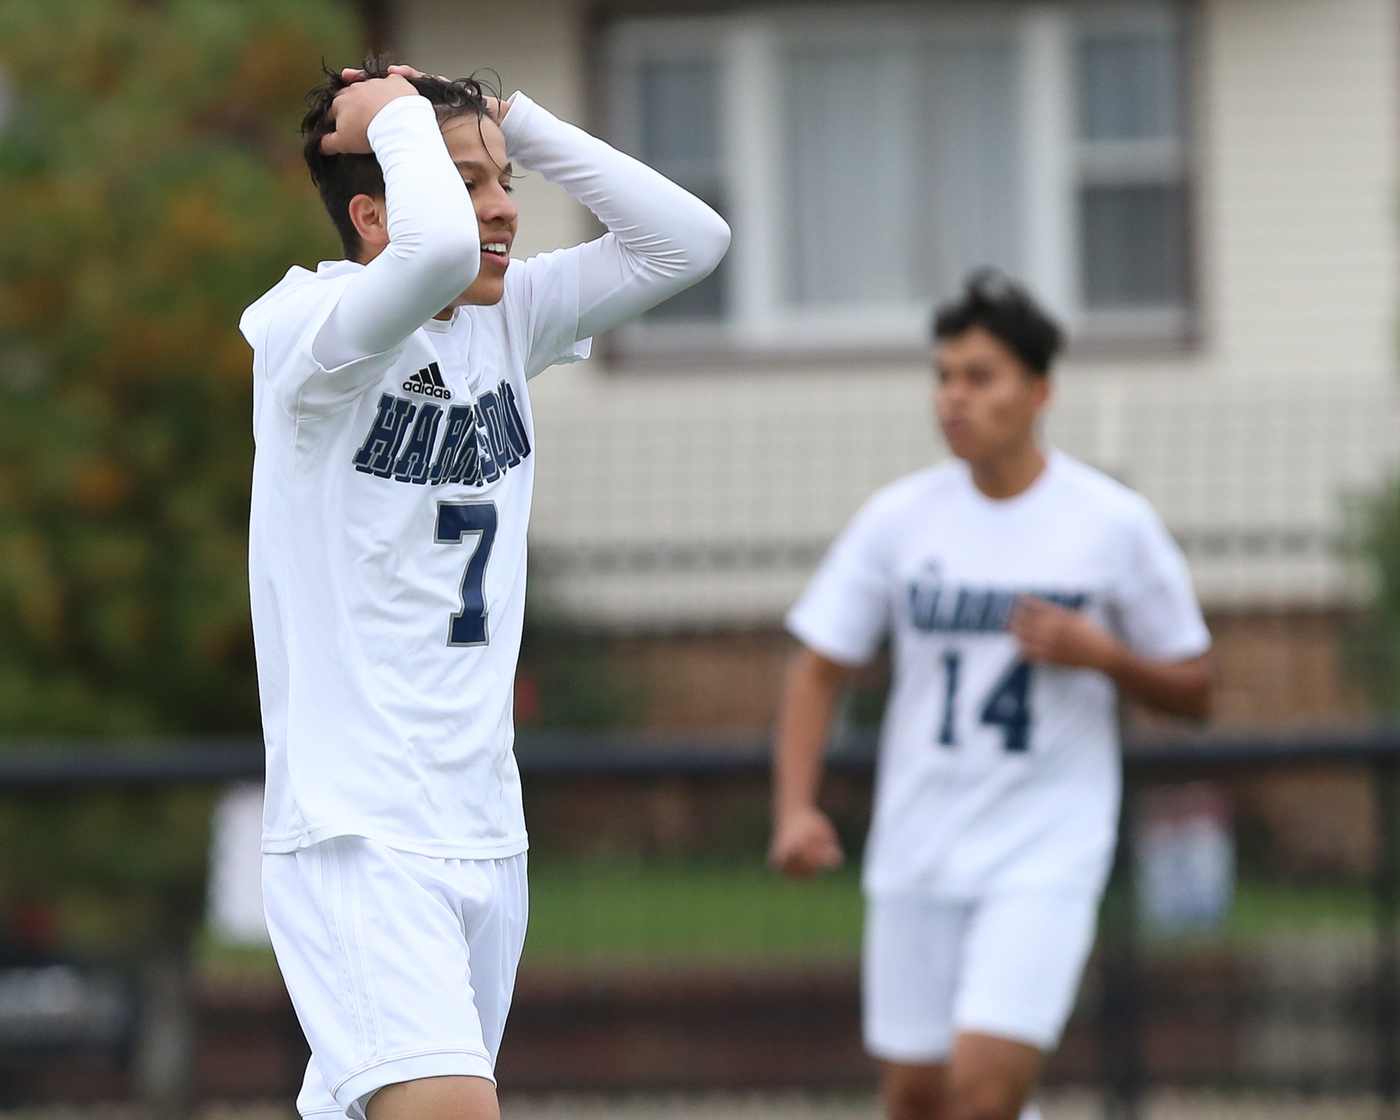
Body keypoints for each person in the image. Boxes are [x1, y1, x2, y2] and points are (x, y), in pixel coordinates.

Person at [238, 60, 728, 1120]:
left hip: (482, 824)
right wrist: (402, 119)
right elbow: (437, 253)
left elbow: (690, 240)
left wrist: (519, 125)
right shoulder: (305, 336)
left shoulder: (506, 322)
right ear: (372, 212)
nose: (503, 208)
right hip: (358, 829)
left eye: (504, 181)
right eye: (466, 181)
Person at [768, 272, 1211, 1120]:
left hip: (1045, 850)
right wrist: (795, 809)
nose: (953, 397)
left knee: (983, 1089)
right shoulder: (899, 519)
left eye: (980, 377)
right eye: (943, 376)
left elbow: (1198, 687)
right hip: (919, 846)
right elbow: (819, 666)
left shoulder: (1109, 522)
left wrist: (1104, 656)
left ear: (1039, 391)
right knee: (918, 1100)